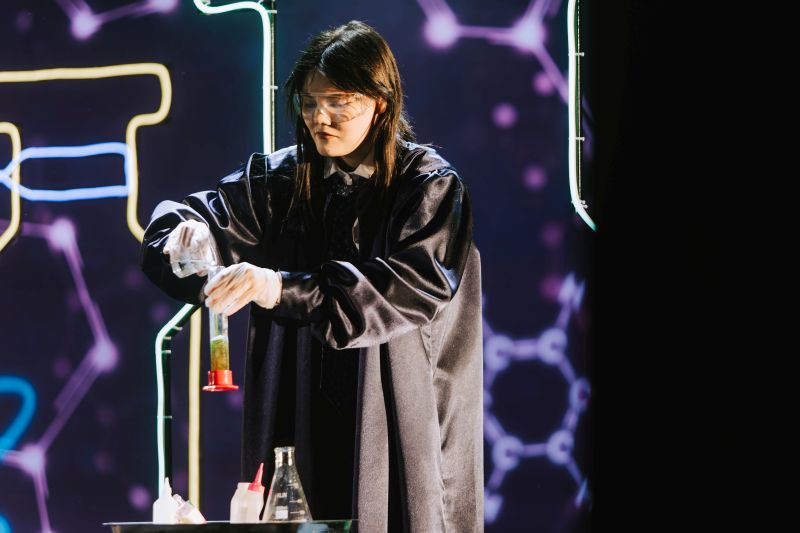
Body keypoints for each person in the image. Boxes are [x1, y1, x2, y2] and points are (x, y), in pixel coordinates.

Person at [141, 20, 483, 532]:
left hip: (400, 412)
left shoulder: (429, 189)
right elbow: (186, 218)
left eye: (338, 102)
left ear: (380, 103)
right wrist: (185, 237)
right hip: (296, 410)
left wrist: (278, 287)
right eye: (308, 103)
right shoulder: (280, 182)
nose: (320, 118)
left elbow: (407, 288)